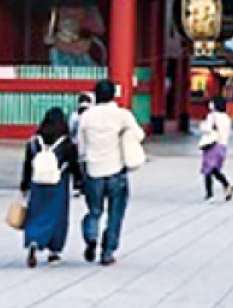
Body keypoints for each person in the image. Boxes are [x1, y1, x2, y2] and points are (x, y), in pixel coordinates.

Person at [77, 78, 144, 265]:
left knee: (94, 210)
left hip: (93, 169)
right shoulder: (122, 115)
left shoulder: (87, 116)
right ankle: (107, 251)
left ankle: (91, 237)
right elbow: (139, 135)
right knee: (115, 213)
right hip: (116, 169)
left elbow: (80, 146)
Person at [20, 106, 80, 268]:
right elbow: (74, 164)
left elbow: (27, 164)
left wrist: (24, 184)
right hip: (58, 182)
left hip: (37, 182)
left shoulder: (34, 141)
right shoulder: (66, 142)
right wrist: (79, 182)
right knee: (57, 216)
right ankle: (54, 251)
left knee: (36, 213)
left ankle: (33, 240)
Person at [199, 95, 233, 201]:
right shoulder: (227, 117)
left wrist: (202, 125)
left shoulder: (212, 116)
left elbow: (207, 129)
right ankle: (226, 185)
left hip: (212, 144)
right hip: (223, 145)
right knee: (215, 169)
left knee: (208, 170)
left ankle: (210, 194)